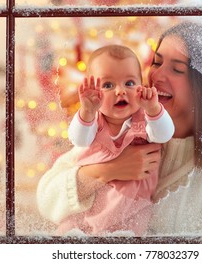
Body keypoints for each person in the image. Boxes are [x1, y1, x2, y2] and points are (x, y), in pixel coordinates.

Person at [37, 21, 202, 236]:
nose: (156, 76)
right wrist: (107, 170)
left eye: (177, 69)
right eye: (157, 62)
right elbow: (46, 199)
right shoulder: (124, 131)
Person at [54, 45, 174, 235]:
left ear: (141, 86)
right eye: (108, 85)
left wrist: (153, 109)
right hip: (90, 203)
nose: (120, 91)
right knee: (67, 230)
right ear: (94, 90)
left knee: (127, 236)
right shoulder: (94, 119)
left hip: (130, 207)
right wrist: (86, 111)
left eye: (129, 83)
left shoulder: (144, 118)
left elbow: (164, 134)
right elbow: (80, 140)